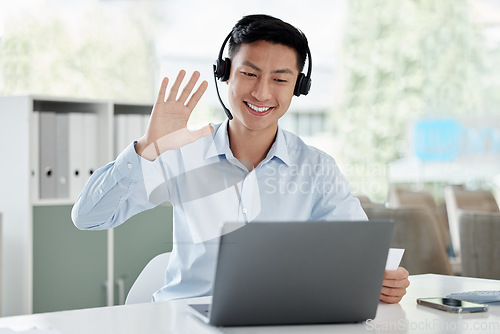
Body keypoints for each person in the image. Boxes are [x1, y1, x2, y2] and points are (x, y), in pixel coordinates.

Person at [72, 14, 409, 303]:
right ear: (225, 73)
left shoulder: (317, 169)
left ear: (298, 87)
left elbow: (360, 257)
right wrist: (147, 148)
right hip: (185, 318)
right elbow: (89, 217)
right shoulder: (183, 154)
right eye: (249, 74)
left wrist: (383, 281)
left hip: (277, 320)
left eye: (280, 79)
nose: (262, 93)